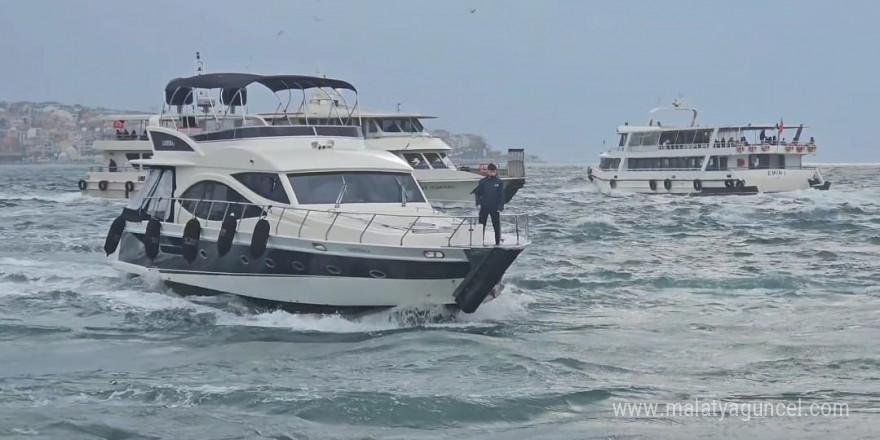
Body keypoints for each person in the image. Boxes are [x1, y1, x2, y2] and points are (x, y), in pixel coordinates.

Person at [473, 163, 504, 245]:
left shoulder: (499, 182)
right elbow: (477, 193)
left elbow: (501, 196)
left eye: (494, 171)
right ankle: (480, 242)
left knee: (496, 226)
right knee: (481, 226)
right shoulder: (482, 182)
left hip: (495, 208)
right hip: (484, 207)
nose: (492, 173)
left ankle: (497, 243)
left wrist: (500, 207)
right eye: (491, 171)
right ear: (487, 171)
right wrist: (478, 203)